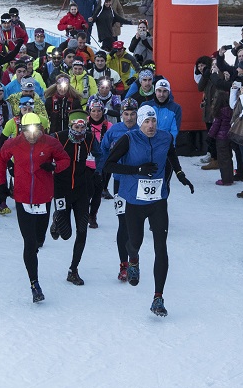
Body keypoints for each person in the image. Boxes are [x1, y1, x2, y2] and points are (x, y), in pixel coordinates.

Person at [102, 106, 194, 316]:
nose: (151, 126)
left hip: (158, 201)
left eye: (153, 121)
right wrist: (137, 170)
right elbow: (109, 165)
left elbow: (172, 155)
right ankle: (132, 259)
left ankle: (158, 298)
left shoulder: (165, 138)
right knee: (135, 242)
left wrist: (180, 175)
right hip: (135, 201)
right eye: (146, 122)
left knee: (161, 247)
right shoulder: (129, 139)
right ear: (140, 123)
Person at [0, 113, 71, 302]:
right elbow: (0, 160)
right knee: (29, 243)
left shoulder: (50, 142)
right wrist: (2, 185)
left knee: (38, 239)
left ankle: (38, 243)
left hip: (44, 198)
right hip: (22, 199)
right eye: (28, 131)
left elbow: (65, 160)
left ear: (40, 127)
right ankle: (34, 284)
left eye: (36, 130)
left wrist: (54, 166)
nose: (32, 135)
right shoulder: (13, 143)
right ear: (21, 129)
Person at [49, 110, 98, 285]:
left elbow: (100, 155)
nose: (79, 130)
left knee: (82, 231)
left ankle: (73, 270)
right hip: (61, 190)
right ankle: (57, 220)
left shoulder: (90, 138)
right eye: (76, 126)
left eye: (83, 126)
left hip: (81, 191)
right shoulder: (57, 137)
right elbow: (43, 152)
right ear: (70, 125)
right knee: (66, 234)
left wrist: (97, 172)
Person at [98, 98, 139, 280]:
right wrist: (99, 174)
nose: (129, 118)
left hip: (139, 183)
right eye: (126, 114)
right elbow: (104, 152)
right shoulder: (114, 130)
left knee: (135, 225)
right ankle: (124, 265)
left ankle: (134, 262)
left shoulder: (143, 130)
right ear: (121, 114)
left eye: (132, 114)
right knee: (123, 223)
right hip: (120, 182)